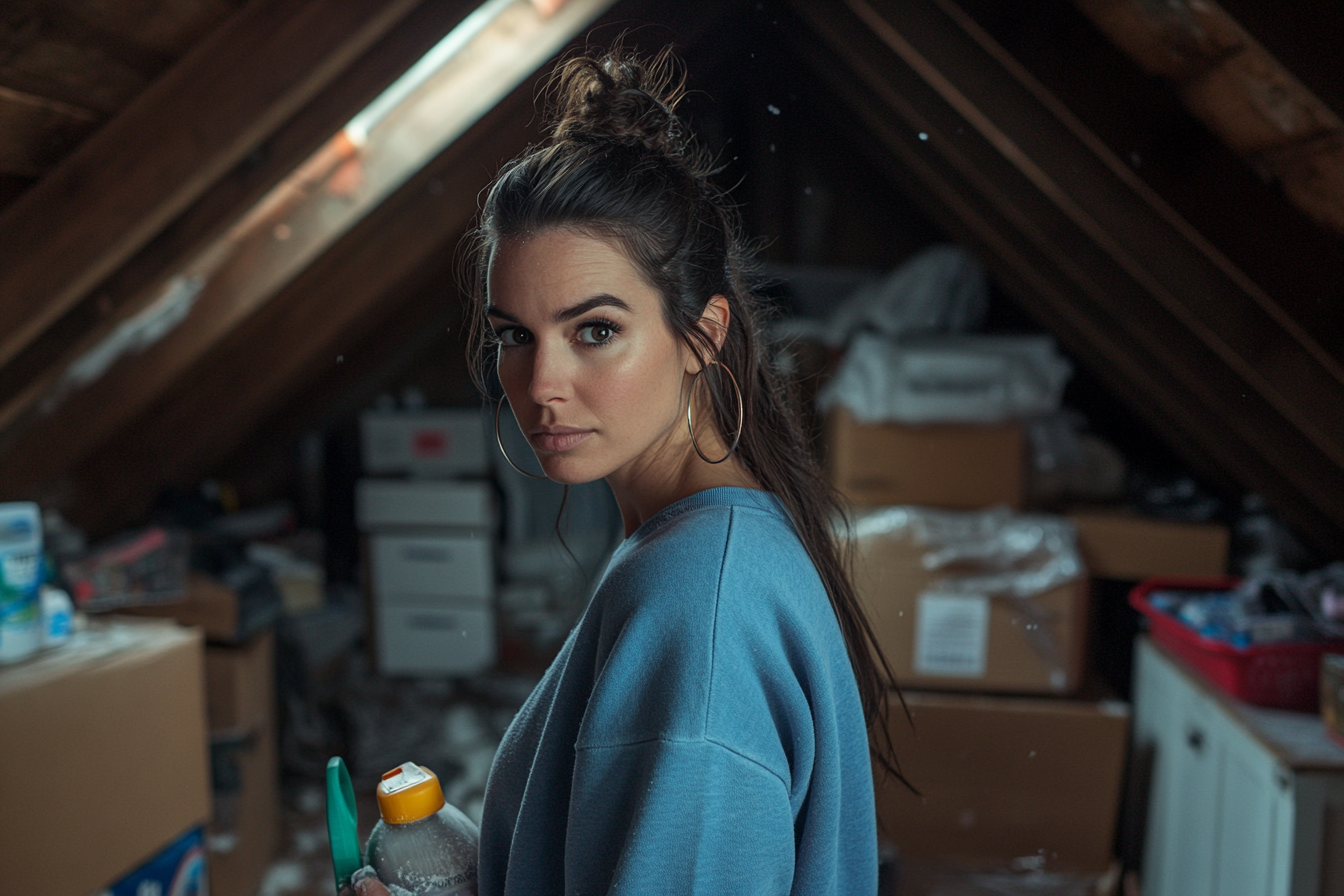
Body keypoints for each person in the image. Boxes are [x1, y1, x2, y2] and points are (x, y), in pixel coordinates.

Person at [351, 45, 903, 896]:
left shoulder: (701, 613)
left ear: (701, 334)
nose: (540, 385)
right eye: (514, 336)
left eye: (595, 330)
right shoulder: (700, 550)